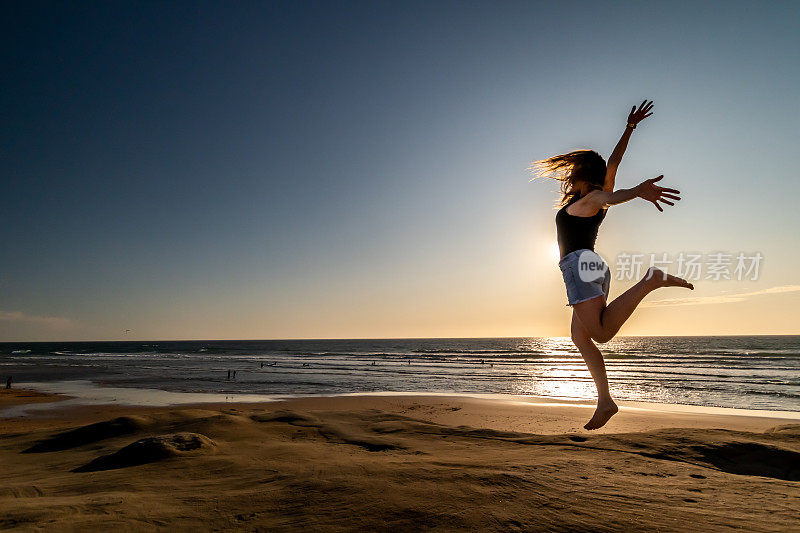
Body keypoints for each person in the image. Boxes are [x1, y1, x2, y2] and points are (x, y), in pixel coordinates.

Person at [534, 100, 694, 430]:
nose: (568, 179)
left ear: (580, 176)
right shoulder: (591, 195)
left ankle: (650, 280)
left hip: (580, 266)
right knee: (581, 337)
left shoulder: (593, 197)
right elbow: (615, 162)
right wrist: (630, 127)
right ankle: (605, 401)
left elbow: (612, 196)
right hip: (591, 266)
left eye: (572, 174)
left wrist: (636, 191)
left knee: (601, 333)